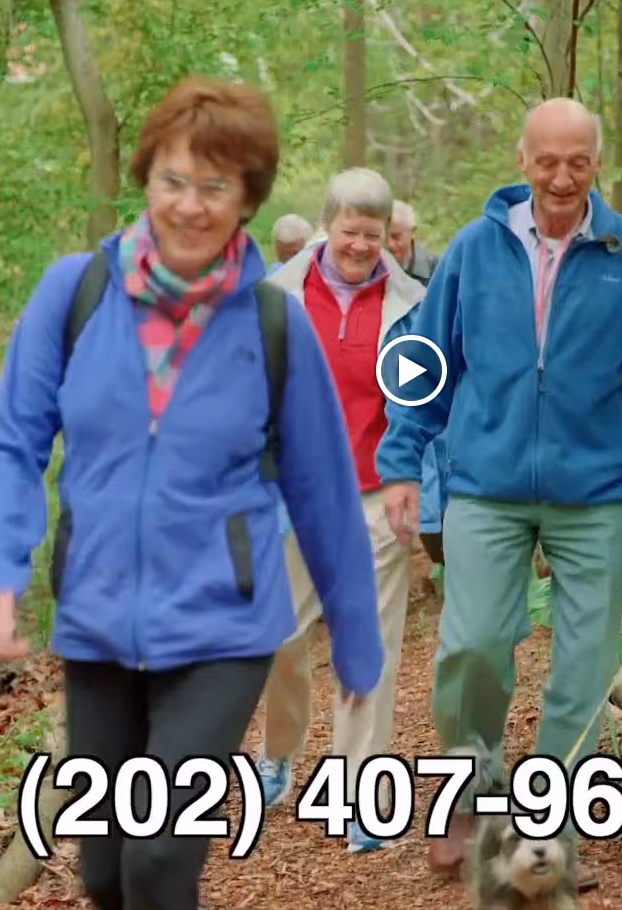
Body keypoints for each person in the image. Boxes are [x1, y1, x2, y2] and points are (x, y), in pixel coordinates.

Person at [0, 76, 385, 909]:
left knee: (160, 856)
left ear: (249, 200)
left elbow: (325, 490)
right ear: (146, 178)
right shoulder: (73, 295)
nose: (191, 206)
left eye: (216, 187)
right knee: (107, 873)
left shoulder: (273, 324)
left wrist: (356, 633)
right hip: (95, 623)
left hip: (223, 628)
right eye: (174, 181)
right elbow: (15, 437)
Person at [372, 97, 622, 892]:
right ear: (522, 160)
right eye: (546, 160)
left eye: (576, 161)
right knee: (473, 643)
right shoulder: (474, 253)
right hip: (487, 483)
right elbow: (424, 363)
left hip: (598, 492)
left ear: (597, 163)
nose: (561, 176)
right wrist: (403, 462)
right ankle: (473, 791)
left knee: (587, 663)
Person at [253, 167, 427, 854]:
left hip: (375, 496)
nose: (361, 245)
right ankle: (279, 750)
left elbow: (421, 405)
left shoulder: (411, 304)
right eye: (350, 231)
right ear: (326, 227)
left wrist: (413, 484)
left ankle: (362, 800)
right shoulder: (277, 296)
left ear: (391, 236)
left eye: (374, 234)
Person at [390, 200, 440, 284]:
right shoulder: (370, 265)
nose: (389, 244)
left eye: (396, 237)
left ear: (413, 232)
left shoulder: (435, 269)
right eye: (384, 236)